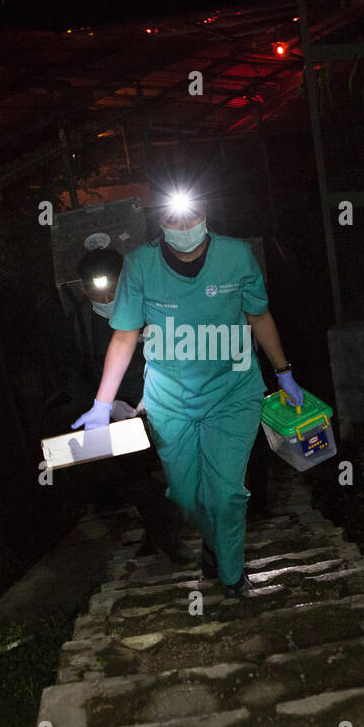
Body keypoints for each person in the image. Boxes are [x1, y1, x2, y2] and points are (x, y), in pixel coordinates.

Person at [73, 195, 303, 598]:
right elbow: (125, 335)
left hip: (233, 393)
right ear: (159, 221)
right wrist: (101, 404)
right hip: (170, 401)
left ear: (205, 215)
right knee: (185, 496)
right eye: (171, 219)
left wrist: (284, 373)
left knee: (228, 492)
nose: (183, 228)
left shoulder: (237, 256)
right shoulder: (140, 265)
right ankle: (215, 545)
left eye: (191, 217)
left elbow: (259, 315)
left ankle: (231, 575)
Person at [62, 246, 192, 565]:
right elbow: (70, 375)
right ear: (83, 288)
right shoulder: (76, 325)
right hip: (119, 417)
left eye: (113, 288)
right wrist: (104, 406)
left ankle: (168, 530)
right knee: (137, 479)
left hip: (166, 405)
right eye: (96, 291)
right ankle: (164, 532)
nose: (106, 299)